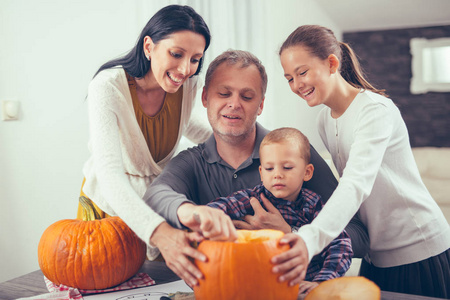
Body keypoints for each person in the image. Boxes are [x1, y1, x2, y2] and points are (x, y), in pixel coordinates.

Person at [145, 49, 369, 287]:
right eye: (223, 93)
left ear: (260, 105)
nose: (234, 104)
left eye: (247, 97)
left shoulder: (293, 154)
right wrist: (193, 213)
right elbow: (154, 196)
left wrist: (293, 233)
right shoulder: (191, 162)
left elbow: (358, 236)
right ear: (205, 99)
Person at [278, 25, 450, 298]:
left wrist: (309, 239)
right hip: (374, 258)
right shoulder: (323, 120)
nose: (297, 85)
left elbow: (355, 183)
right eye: (289, 78)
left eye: (302, 72)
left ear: (331, 63)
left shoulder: (374, 110)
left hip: (419, 251)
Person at [78, 5, 216, 267]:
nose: (186, 68)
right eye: (176, 54)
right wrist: (160, 233)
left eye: (196, 59)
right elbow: (110, 175)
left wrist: (251, 145)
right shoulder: (107, 87)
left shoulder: (186, 85)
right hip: (111, 205)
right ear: (149, 47)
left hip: (158, 197)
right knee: (106, 276)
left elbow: (188, 125)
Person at [206, 127, 353, 294]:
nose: (277, 174)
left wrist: (323, 282)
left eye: (287, 167)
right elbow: (222, 206)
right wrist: (202, 217)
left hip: (303, 287)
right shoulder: (253, 199)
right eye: (269, 169)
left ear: (307, 172)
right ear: (261, 173)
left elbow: (340, 244)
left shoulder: (313, 204)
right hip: (257, 288)